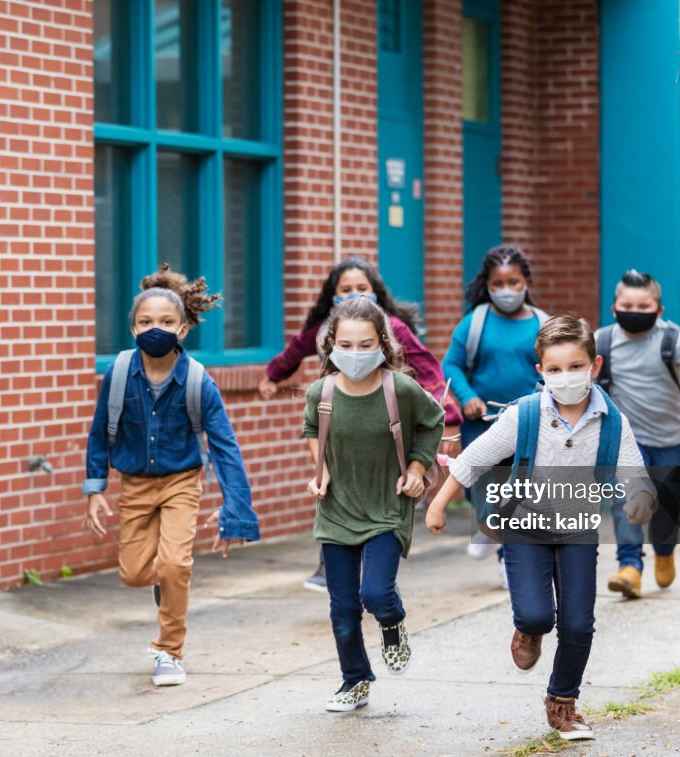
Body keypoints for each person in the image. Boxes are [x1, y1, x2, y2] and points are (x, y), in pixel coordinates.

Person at [426, 315, 654, 741]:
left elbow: (634, 472)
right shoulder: (526, 415)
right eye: (554, 369)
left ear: (595, 366)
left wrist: (640, 498)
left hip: (577, 530)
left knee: (578, 624)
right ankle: (528, 627)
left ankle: (563, 701)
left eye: (575, 367)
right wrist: (439, 504)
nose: (565, 377)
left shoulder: (612, 421)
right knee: (537, 613)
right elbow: (475, 457)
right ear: (540, 372)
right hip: (525, 527)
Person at [83, 264, 260, 687]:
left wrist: (236, 513)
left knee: (176, 563)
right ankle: (164, 583)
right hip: (136, 484)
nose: (155, 329)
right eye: (146, 322)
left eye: (165, 322)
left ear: (182, 330)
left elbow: (225, 449)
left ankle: (169, 651)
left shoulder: (199, 382)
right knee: (134, 573)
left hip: (182, 481)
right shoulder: (120, 374)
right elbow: (97, 433)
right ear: (132, 329)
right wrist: (94, 488)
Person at [259, 256, 460, 591]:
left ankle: (378, 573)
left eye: (362, 288)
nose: (355, 295)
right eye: (346, 289)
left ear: (376, 292)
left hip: (383, 425)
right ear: (332, 296)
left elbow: (428, 369)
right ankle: (331, 566)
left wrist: (448, 417)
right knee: (335, 489)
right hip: (340, 420)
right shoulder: (328, 327)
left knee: (377, 503)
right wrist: (273, 375)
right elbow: (296, 347)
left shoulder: (393, 327)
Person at [303, 297, 444, 712]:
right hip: (336, 510)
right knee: (343, 608)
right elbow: (312, 428)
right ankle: (355, 680)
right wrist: (321, 467)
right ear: (331, 345)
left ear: (383, 343)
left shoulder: (397, 388)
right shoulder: (321, 391)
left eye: (366, 345)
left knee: (376, 594)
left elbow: (432, 421)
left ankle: (393, 621)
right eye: (346, 345)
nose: (356, 354)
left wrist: (418, 470)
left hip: (387, 507)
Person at [595, 270, 680, 598]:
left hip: (667, 439)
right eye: (627, 304)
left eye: (643, 305)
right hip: (625, 439)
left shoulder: (671, 339)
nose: (634, 310)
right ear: (614, 308)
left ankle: (664, 550)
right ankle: (630, 567)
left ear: (659, 311)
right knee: (625, 502)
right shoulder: (602, 341)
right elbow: (576, 373)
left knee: (665, 505)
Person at [441, 245, 548, 586]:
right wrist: (467, 397)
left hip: (528, 422)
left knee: (517, 490)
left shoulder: (542, 323)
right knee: (482, 488)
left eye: (513, 281)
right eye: (498, 283)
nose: (506, 290)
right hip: (482, 422)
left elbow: (552, 367)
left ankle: (507, 558)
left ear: (526, 281)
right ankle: (489, 526)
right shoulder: (475, 322)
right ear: (487, 284)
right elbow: (451, 364)